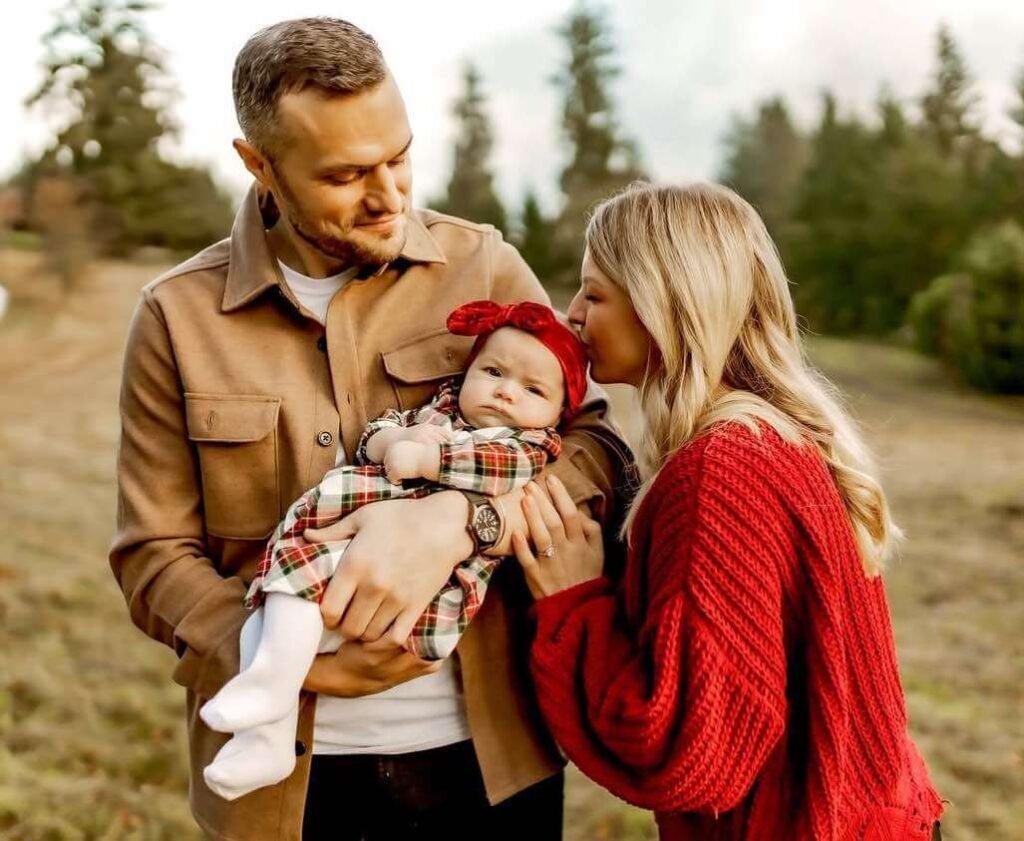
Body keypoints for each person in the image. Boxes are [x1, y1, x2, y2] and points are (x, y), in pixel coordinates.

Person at [108, 17, 629, 841]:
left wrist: (465, 518)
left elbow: (597, 451)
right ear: (259, 164)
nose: (390, 196)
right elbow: (153, 554)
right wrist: (274, 657)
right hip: (283, 791)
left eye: (399, 157)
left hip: (494, 766)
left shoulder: (484, 264)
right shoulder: (176, 316)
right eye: (347, 175)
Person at [511, 182, 945, 840]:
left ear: (664, 304)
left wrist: (573, 603)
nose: (571, 314)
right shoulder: (773, 435)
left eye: (594, 294)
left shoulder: (721, 470)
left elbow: (687, 751)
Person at [198, 300, 589, 800]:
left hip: (419, 592)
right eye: (492, 372)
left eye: (533, 389)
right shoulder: (440, 409)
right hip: (340, 545)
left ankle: (271, 692)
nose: (505, 391)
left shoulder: (527, 444)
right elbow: (377, 433)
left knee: (297, 609)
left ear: (559, 412)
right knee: (276, 602)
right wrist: (396, 440)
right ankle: (267, 732)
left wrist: (427, 460)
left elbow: (496, 469)